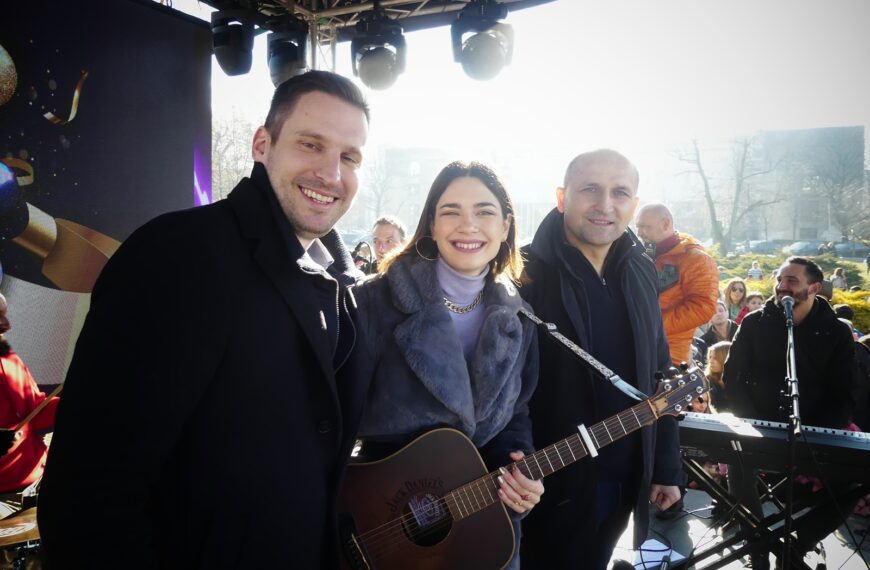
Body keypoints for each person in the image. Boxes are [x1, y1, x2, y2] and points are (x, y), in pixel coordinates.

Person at [38, 71, 372, 568]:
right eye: (310, 144)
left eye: (349, 157)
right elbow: (89, 495)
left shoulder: (343, 287)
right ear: (263, 144)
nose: (331, 173)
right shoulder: (178, 254)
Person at [354, 161, 543, 569]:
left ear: (507, 226)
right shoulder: (373, 302)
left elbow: (517, 414)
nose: (468, 225)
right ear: (432, 224)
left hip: (481, 528)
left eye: (485, 212)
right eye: (451, 211)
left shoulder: (520, 318)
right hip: (378, 528)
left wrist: (521, 472)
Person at [517, 149, 681, 570]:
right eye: (590, 189)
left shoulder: (640, 269)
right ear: (561, 196)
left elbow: (659, 371)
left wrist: (664, 464)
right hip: (546, 488)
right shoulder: (523, 273)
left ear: (635, 205)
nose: (605, 204)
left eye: (620, 192)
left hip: (625, 481)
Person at [723, 257, 856, 569]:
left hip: (814, 432)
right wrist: (750, 423)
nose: (781, 286)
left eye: (792, 281)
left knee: (855, 479)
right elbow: (733, 377)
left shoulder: (836, 332)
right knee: (736, 463)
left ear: (814, 288)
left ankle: (798, 543)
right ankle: (756, 545)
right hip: (757, 427)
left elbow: (844, 394)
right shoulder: (754, 322)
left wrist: (819, 436)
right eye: (779, 279)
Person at [635, 203, 719, 365]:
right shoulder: (643, 255)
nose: (639, 233)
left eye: (645, 227)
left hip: (669, 355)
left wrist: (652, 325)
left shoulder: (696, 259)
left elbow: (702, 308)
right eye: (638, 227)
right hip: (637, 346)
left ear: (666, 224)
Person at [0, 293, 59, 494]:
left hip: (39, 478)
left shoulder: (9, 359)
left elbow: (35, 411)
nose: (7, 324)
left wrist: (75, 400)